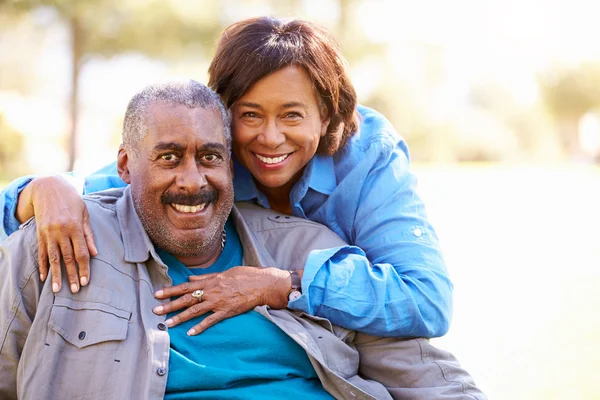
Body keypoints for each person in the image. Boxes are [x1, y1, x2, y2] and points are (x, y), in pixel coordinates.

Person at [0, 80, 486, 400]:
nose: (192, 181)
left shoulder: (311, 253)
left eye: (210, 157)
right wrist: (40, 188)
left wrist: (284, 285)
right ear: (125, 166)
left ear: (231, 162)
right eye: (168, 158)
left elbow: (429, 378)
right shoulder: (58, 242)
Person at [0, 16, 451, 338]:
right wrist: (42, 190)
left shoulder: (369, 156)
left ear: (327, 114)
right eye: (249, 114)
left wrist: (281, 283)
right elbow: (97, 187)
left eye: (292, 115)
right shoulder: (210, 159)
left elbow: (426, 300)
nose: (270, 138)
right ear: (222, 115)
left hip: (341, 347)